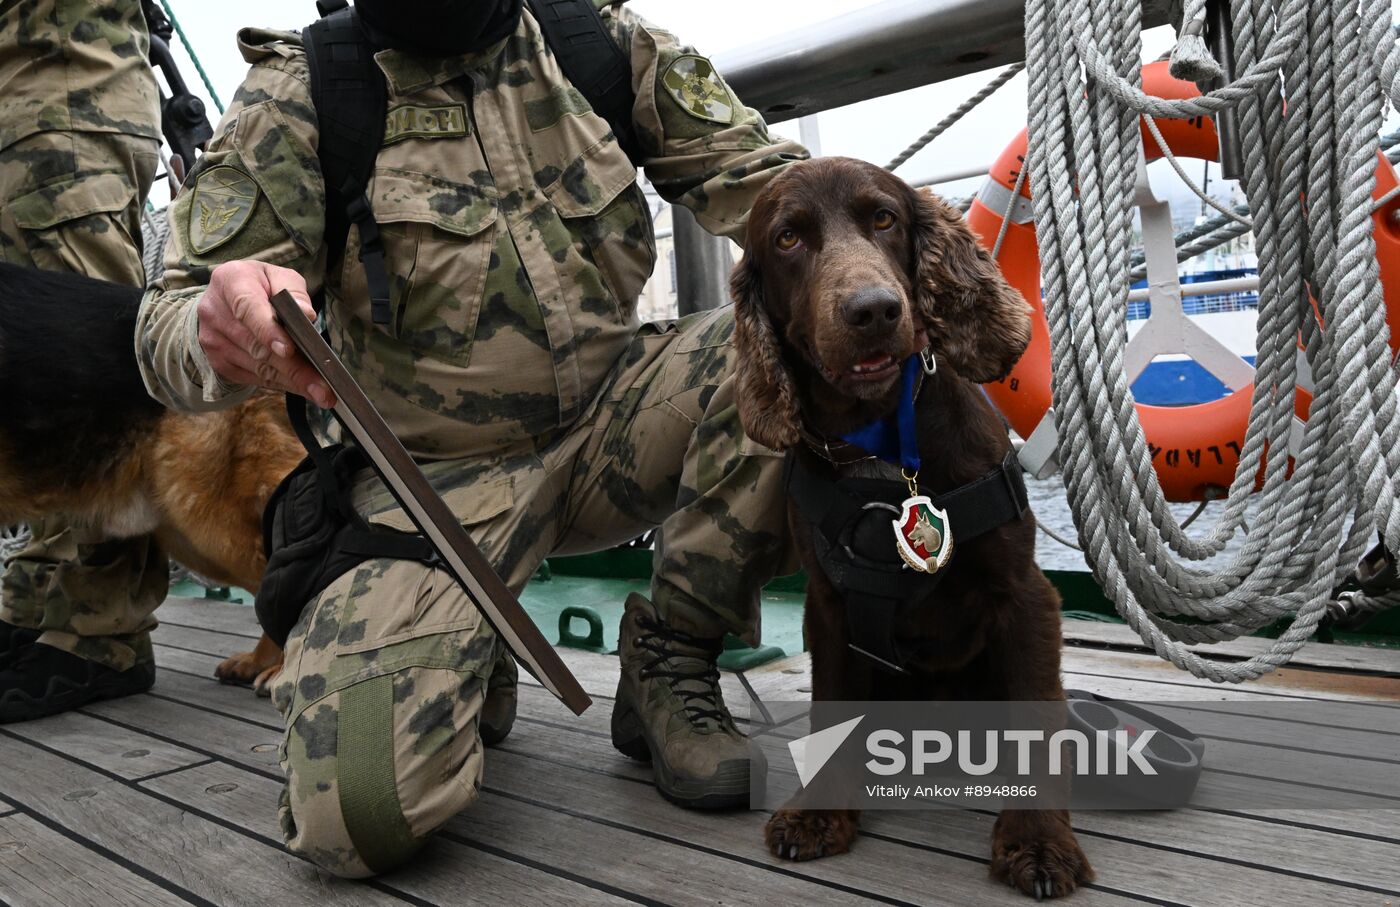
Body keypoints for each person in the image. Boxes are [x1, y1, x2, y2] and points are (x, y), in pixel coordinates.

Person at [136, 0, 806, 877]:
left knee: (802, 335)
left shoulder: (598, 46)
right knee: (356, 813)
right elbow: (166, 322)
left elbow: (787, 195)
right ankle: (463, 645)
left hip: (620, 420)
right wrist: (212, 329)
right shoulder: (302, 94)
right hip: (431, 486)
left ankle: (673, 655)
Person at [0, 0, 166, 721]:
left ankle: (104, 633)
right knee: (23, 383)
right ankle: (40, 600)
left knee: (84, 371)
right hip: (22, 89)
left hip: (66, 91)